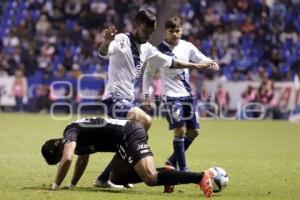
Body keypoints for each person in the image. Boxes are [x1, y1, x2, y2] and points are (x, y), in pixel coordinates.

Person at [96, 9, 218, 187]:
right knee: (144, 121)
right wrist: (106, 42)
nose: (149, 35)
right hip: (114, 98)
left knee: (133, 138)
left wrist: (196, 65)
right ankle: (117, 174)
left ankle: (105, 178)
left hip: (128, 101)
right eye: (146, 31)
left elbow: (172, 62)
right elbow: (104, 52)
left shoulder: (147, 48)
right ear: (137, 26)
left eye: (152, 32)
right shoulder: (121, 39)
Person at [41, 117, 214, 198]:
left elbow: (68, 159)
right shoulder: (78, 140)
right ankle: (167, 174)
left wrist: (55, 186)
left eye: (57, 158)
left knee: (150, 178)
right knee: (116, 178)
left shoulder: (69, 132)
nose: (60, 160)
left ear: (58, 145)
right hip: (121, 144)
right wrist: (71, 185)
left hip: (129, 134)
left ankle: (200, 177)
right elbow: (82, 159)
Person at [143, 17, 219, 172]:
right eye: (172, 31)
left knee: (194, 132)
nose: (175, 34)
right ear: (166, 31)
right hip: (170, 96)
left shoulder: (187, 46)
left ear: (182, 30)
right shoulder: (158, 51)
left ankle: (171, 161)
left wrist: (210, 61)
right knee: (181, 130)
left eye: (178, 31)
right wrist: (145, 94)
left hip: (187, 95)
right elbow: (148, 74)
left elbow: (199, 57)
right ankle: (183, 169)